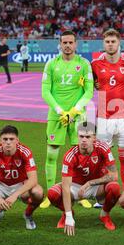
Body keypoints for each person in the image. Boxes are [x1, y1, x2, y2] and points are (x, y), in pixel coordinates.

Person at [40, 30, 94, 209]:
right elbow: (45, 91)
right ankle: (50, 194)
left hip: (77, 116)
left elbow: (89, 91)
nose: (68, 46)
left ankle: (81, 194)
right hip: (57, 115)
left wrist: (74, 111)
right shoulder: (51, 64)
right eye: (65, 42)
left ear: (76, 44)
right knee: (52, 153)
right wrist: (60, 110)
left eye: (71, 42)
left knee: (80, 155)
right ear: (60, 44)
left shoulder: (84, 64)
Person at [47, 122, 120, 236]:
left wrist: (90, 183)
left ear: (94, 138)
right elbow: (66, 187)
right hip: (74, 187)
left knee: (114, 188)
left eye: (88, 137)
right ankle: (66, 214)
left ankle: (104, 215)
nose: (84, 140)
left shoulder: (103, 149)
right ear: (77, 136)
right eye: (81, 136)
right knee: (52, 194)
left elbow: (114, 175)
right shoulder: (70, 155)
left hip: (96, 186)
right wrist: (69, 216)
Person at [92, 29, 124, 191]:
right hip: (104, 117)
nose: (110, 45)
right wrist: (94, 85)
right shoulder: (95, 64)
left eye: (113, 42)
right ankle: (102, 191)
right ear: (103, 44)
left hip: (123, 117)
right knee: (103, 157)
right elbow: (88, 82)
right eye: (107, 42)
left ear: (119, 43)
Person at [0, 125, 44, 230]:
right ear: (0, 140)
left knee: (38, 192)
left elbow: (33, 179)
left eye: (11, 139)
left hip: (21, 184)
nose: (8, 142)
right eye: (5, 139)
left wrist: (15, 195)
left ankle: (28, 215)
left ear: (17, 140)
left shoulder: (25, 152)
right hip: (1, 184)